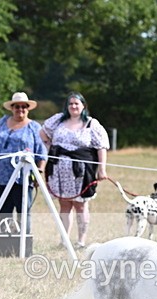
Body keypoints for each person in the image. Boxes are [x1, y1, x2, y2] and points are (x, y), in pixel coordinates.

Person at [41, 92, 109, 248]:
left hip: (81, 173)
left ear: (83, 106)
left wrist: (102, 169)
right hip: (59, 170)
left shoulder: (92, 124)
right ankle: (64, 240)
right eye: (70, 103)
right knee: (64, 205)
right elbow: (43, 132)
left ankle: (80, 241)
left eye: (76, 103)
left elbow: (101, 147)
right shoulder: (59, 120)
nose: (73, 106)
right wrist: (49, 146)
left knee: (80, 205)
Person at [0, 92, 47, 233]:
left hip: (23, 176)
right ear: (12, 108)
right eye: (17, 106)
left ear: (28, 109)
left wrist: (39, 171)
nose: (20, 109)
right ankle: (5, 240)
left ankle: (23, 240)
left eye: (23, 107)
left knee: (23, 210)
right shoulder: (2, 122)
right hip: (1, 175)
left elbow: (42, 151)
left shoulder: (34, 127)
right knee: (3, 209)